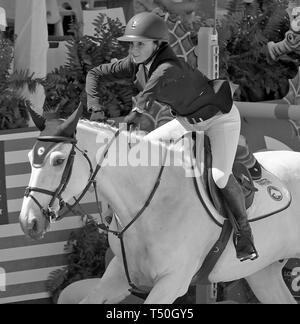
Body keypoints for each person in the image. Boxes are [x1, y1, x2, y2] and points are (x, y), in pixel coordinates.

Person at [85, 12, 258, 262]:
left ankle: (245, 234)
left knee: (219, 177)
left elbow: (145, 99)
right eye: (131, 44)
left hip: (221, 120)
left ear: (157, 44)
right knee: (140, 152)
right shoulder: (137, 62)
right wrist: (95, 108)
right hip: (186, 122)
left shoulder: (168, 67)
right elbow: (94, 73)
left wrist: (128, 118)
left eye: (140, 44)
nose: (133, 50)